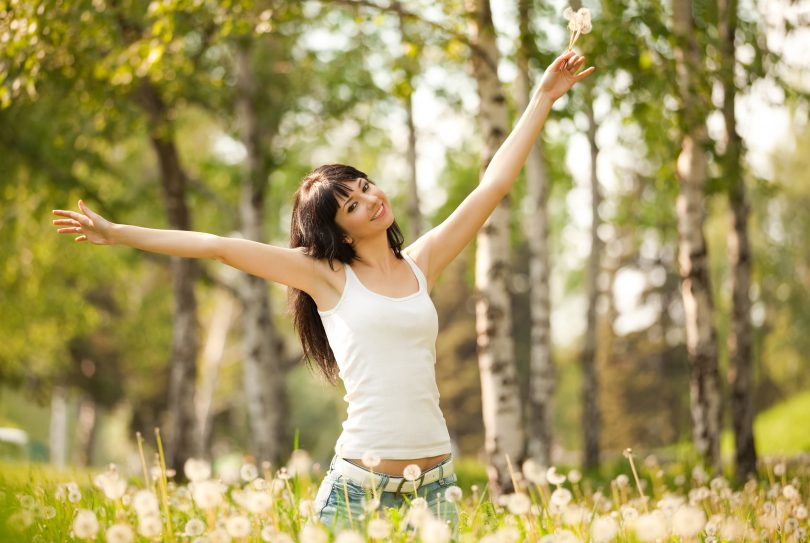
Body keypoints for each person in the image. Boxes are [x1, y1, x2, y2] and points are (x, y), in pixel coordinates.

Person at [53, 51, 593, 538]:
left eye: (364, 187)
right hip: (359, 490)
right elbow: (218, 246)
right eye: (352, 205)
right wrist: (118, 232)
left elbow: (491, 187)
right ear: (339, 231)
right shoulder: (327, 277)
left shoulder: (422, 263)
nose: (370, 200)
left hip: (437, 488)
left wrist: (541, 99)